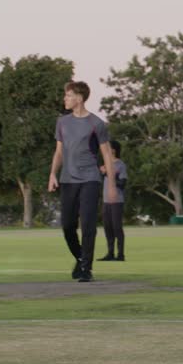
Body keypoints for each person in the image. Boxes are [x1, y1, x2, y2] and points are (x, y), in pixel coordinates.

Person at [48, 81, 119, 283]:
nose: (65, 99)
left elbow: (106, 154)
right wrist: (53, 174)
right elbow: (59, 151)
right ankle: (81, 258)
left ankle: (86, 268)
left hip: (90, 179)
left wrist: (111, 185)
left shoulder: (97, 124)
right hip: (68, 180)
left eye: (68, 95)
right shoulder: (62, 122)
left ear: (79, 98)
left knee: (88, 225)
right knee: (67, 225)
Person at [98, 139, 128, 262]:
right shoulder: (105, 164)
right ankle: (110, 253)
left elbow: (122, 184)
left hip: (117, 201)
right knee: (107, 227)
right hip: (106, 201)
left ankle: (120, 255)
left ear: (114, 150)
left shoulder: (120, 165)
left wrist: (107, 174)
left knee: (117, 227)